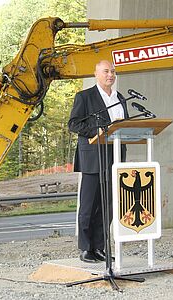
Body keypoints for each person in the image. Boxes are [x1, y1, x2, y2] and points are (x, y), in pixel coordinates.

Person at [68, 60, 128, 263]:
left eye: (112, 71)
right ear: (96, 74)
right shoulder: (85, 97)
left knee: (107, 206)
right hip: (93, 157)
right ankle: (86, 249)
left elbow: (125, 125)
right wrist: (96, 131)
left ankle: (99, 247)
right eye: (106, 71)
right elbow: (74, 124)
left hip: (115, 157)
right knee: (88, 205)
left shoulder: (120, 98)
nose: (110, 75)